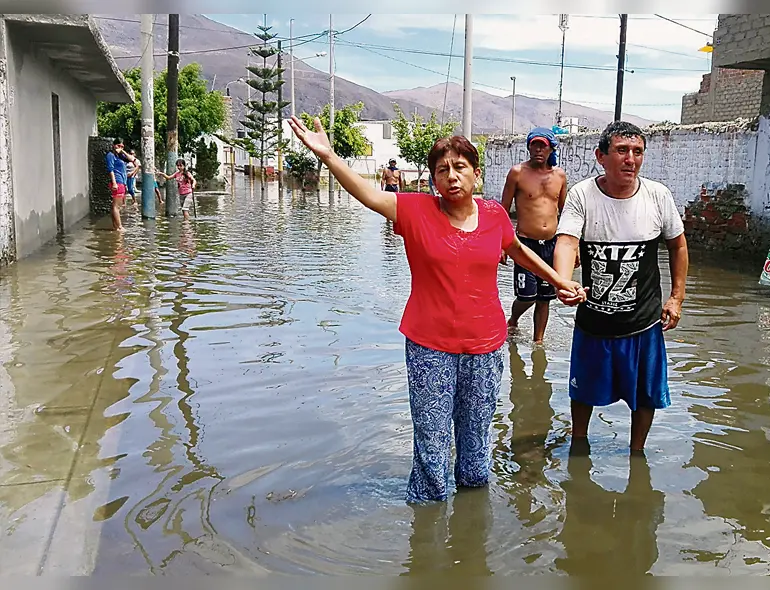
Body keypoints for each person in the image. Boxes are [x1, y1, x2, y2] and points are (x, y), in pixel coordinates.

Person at [288, 114, 587, 504]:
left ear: (476, 175)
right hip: (430, 346)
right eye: (442, 169)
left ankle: (471, 523)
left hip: (485, 345)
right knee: (431, 442)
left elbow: (519, 252)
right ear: (433, 178)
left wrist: (560, 281)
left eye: (460, 167)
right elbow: (366, 194)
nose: (452, 176)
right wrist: (329, 156)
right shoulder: (415, 212)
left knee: (476, 445)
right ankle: (427, 526)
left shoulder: (495, 215)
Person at [552, 121, 689, 454]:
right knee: (582, 393)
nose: (631, 159)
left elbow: (678, 246)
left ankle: (637, 454)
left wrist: (676, 297)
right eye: (622, 151)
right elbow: (568, 242)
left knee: (645, 396)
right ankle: (578, 445)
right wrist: (564, 281)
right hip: (593, 323)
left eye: (637, 152)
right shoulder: (582, 195)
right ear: (601, 156)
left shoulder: (658, 196)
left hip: (642, 324)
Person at [501, 127, 568, 344]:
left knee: (545, 298)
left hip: (550, 244)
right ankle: (513, 319)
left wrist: (572, 248)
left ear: (551, 149)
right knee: (527, 296)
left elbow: (566, 212)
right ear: (529, 147)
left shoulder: (559, 176)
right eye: (534, 145)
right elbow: (502, 210)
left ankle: (538, 342)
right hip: (524, 244)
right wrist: (501, 245)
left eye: (543, 145)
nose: (538, 149)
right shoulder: (517, 173)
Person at [104, 139, 135, 231]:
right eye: (118, 145)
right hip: (117, 182)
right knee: (116, 206)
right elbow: (110, 169)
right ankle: (119, 227)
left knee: (116, 205)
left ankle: (115, 226)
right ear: (113, 145)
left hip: (121, 182)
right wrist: (114, 183)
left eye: (122, 146)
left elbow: (132, 159)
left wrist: (123, 151)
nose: (120, 148)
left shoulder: (120, 156)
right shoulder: (110, 155)